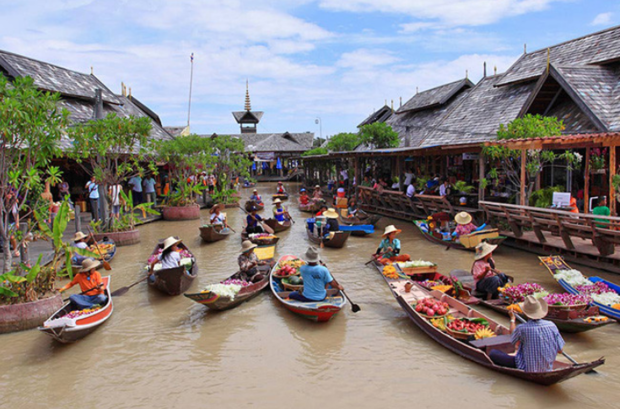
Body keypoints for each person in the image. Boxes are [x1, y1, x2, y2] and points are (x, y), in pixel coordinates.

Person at [489, 295, 565, 372]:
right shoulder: (552, 325)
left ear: (525, 312)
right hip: (548, 367)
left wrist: (512, 319)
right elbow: (560, 350)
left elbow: (512, 338)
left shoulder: (522, 328)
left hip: (526, 368)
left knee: (493, 353)